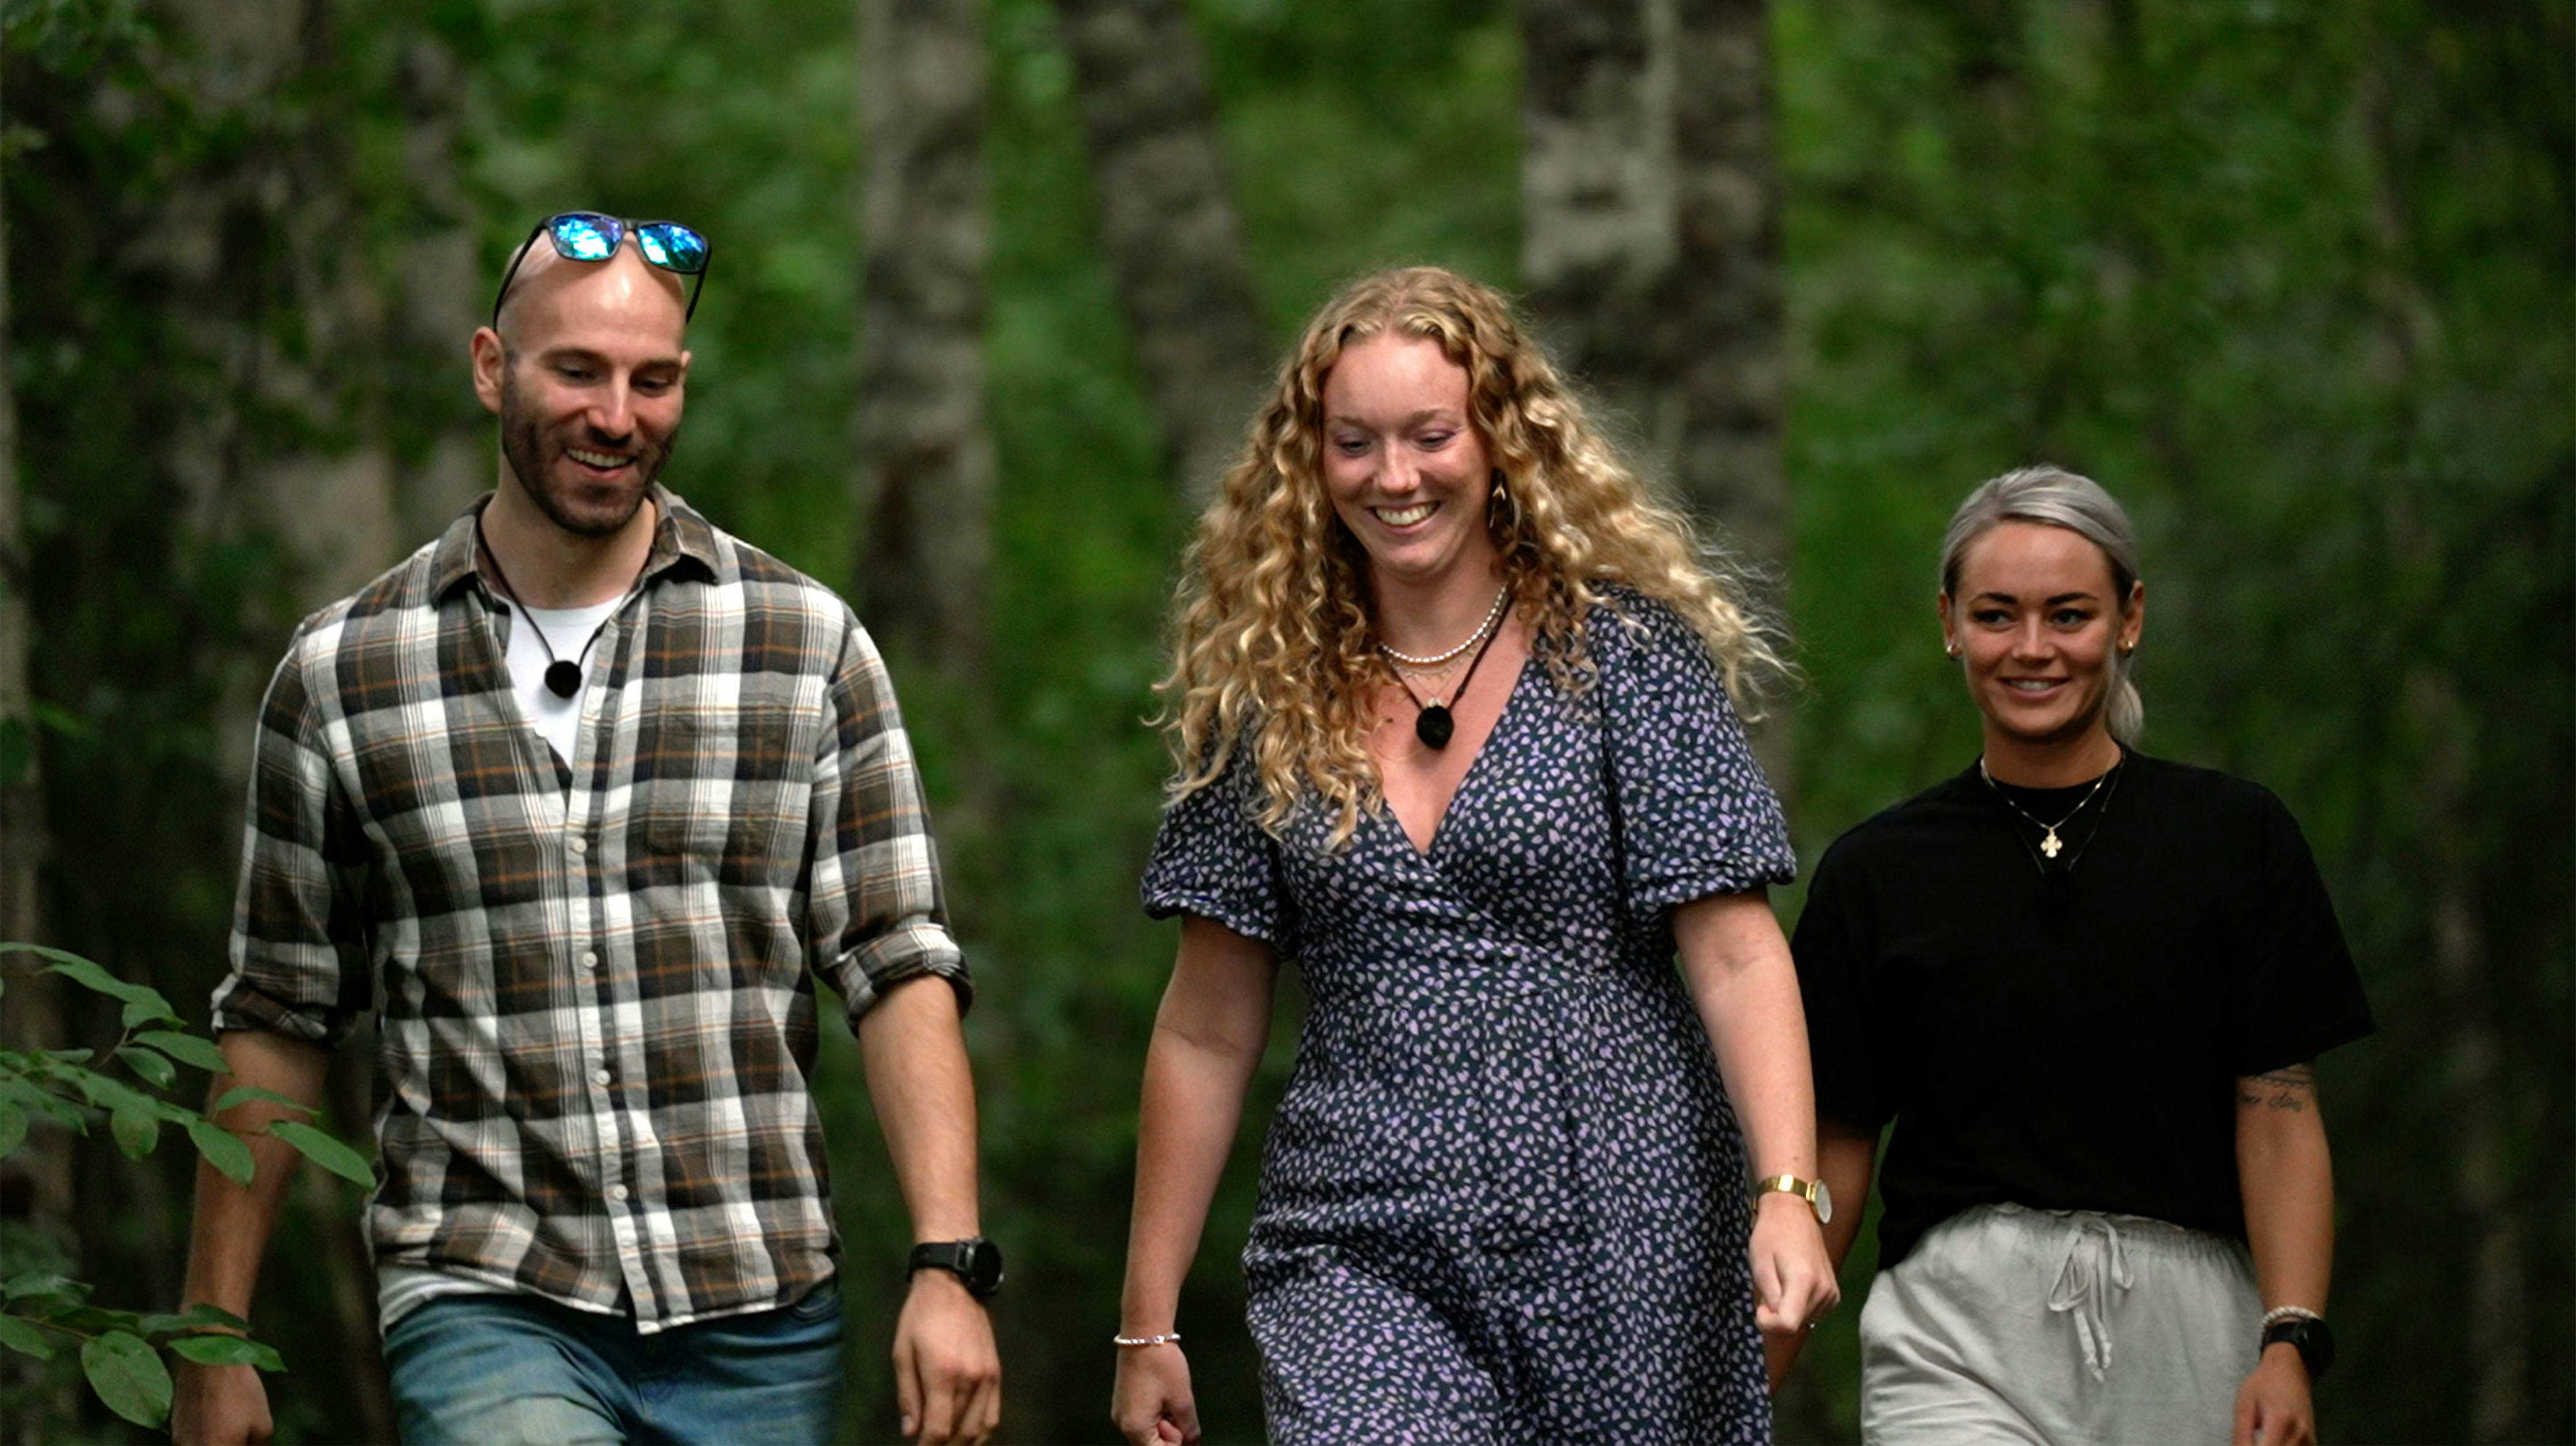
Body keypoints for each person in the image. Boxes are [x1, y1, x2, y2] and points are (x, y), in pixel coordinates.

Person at [171, 212, 1002, 1446]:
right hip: (483, 1292)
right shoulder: (347, 670)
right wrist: (211, 1332)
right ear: (492, 366)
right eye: (578, 370)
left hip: (758, 1306)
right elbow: (281, 1015)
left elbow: (895, 963)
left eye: (653, 379)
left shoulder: (801, 643)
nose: (618, 414)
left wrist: (949, 1263)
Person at [1110, 266, 1838, 1446]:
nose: (1395, 477)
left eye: (1429, 436)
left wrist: (1788, 1193)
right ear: (1314, 462)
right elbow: (1204, 1026)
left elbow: (1740, 953)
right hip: (1358, 1237)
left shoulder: (1625, 660)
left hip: (1627, 1223)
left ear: (1498, 439)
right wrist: (1148, 1323)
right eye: (1356, 443)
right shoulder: (1266, 706)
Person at [1786, 465, 2372, 1445]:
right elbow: (1835, 1143)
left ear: (2129, 618)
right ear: (1948, 622)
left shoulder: (2235, 839)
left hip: (2194, 1331)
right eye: (1996, 615)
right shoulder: (1876, 873)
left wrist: (2288, 1341)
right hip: (1954, 1329)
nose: (2031, 648)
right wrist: (1751, 1355)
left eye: (2068, 615)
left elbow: (2278, 1111)